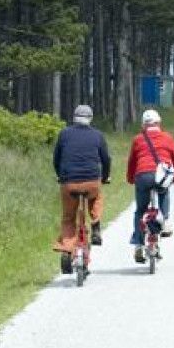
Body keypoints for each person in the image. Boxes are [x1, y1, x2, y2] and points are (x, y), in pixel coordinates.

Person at [52, 104, 111, 262]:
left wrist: (60, 176)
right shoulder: (98, 135)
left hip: (69, 183)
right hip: (92, 182)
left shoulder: (64, 134)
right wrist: (105, 177)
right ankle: (96, 223)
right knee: (96, 197)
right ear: (90, 119)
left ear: (74, 118)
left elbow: (56, 158)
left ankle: (67, 247)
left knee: (68, 218)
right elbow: (106, 159)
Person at [126, 109, 174, 263]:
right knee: (164, 192)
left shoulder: (138, 139)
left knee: (140, 210)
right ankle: (164, 221)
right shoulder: (167, 137)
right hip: (161, 176)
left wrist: (131, 178)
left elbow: (132, 161)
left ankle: (138, 244)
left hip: (143, 175)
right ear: (159, 123)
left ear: (144, 125)